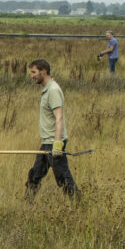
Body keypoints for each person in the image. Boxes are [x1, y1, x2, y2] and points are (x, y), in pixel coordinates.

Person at [25, 60, 80, 198]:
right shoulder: (47, 90)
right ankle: (26, 204)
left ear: (43, 71)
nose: (32, 76)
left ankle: (78, 203)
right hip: (47, 142)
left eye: (34, 72)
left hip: (54, 143)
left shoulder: (53, 90)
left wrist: (57, 144)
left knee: (63, 178)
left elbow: (59, 117)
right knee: (35, 174)